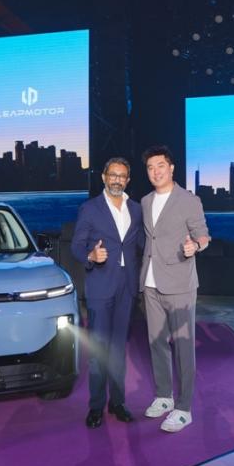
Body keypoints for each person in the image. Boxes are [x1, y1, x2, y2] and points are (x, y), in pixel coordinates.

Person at [140, 145, 210, 432]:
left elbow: (203, 235)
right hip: (150, 282)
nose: (155, 171)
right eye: (150, 167)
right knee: (156, 343)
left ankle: (184, 408)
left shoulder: (189, 200)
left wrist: (196, 247)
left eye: (160, 166)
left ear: (171, 168)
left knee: (183, 348)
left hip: (179, 283)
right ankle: (164, 396)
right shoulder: (145, 201)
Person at [71, 157, 144, 428]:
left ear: (128, 180)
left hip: (127, 287)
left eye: (122, 176)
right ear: (103, 177)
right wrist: (90, 255)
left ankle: (117, 402)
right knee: (99, 349)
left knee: (117, 350)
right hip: (101, 287)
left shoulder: (136, 209)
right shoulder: (90, 208)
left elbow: (143, 243)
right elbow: (76, 246)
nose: (117, 180)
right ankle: (96, 406)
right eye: (113, 175)